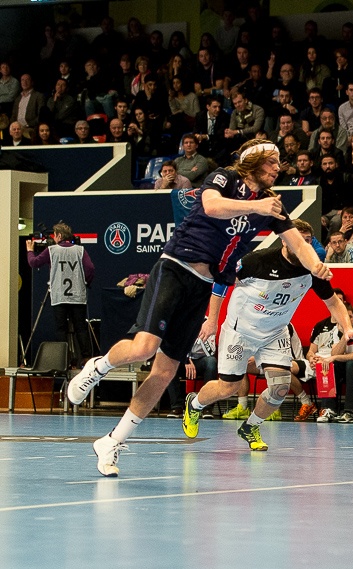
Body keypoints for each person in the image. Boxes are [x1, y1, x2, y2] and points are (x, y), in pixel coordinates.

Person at [67, 140, 333, 477]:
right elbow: (212, 206)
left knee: (163, 374)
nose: (278, 168)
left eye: (279, 162)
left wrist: (317, 267)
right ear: (253, 163)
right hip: (176, 266)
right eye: (272, 162)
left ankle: (112, 441)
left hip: (203, 285)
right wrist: (257, 208)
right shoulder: (225, 179)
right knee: (144, 347)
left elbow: (298, 242)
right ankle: (99, 365)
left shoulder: (272, 206)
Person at [181, 221, 353, 449]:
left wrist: (348, 328)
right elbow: (221, 282)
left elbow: (333, 302)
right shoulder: (258, 260)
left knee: (280, 387)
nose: (301, 246)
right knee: (228, 388)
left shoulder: (313, 269)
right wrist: (212, 320)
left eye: (306, 242)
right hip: (240, 331)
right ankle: (194, 405)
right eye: (297, 240)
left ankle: (250, 426)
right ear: (285, 239)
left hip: (274, 333)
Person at [25, 221, 95, 367]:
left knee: (61, 329)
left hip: (59, 296)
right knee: (81, 327)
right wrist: (85, 282)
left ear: (59, 235)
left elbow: (34, 263)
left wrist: (30, 250)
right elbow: (89, 268)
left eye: (55, 235)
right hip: (77, 296)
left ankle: (64, 359)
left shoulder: (51, 250)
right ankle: (87, 358)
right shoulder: (80, 250)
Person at [314, 299, 353, 423]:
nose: (349, 320)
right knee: (328, 364)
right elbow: (334, 354)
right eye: (345, 318)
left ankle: (349, 411)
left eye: (350, 317)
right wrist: (344, 335)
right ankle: (328, 409)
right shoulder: (335, 331)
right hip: (347, 362)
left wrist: (336, 357)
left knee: (351, 364)